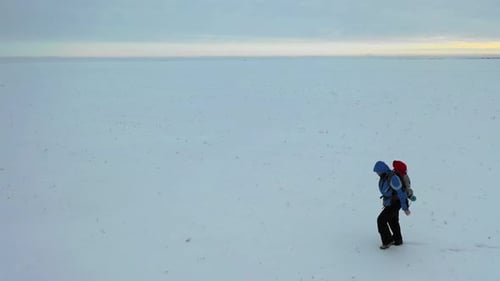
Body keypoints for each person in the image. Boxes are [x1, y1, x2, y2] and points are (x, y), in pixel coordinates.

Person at [373, 161, 411, 249]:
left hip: (395, 203)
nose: (377, 174)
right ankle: (398, 240)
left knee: (381, 220)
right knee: (392, 220)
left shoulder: (392, 178)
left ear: (382, 170)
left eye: (378, 171)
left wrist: (405, 208)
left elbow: (401, 193)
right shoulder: (385, 177)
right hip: (391, 202)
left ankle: (387, 241)